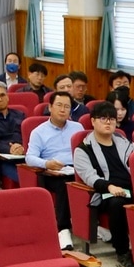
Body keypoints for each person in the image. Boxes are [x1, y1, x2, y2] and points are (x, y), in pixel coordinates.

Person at [74, 100, 134, 267]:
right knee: (117, 203)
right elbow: (89, 177)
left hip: (130, 189)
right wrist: (110, 187)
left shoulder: (124, 143)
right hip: (103, 193)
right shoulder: (83, 149)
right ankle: (123, 253)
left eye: (111, 119)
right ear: (93, 121)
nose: (108, 122)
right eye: (103, 118)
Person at [26, 90, 84, 249]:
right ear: (50, 107)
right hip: (51, 172)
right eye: (59, 105)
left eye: (67, 106)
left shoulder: (77, 126)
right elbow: (29, 158)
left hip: (76, 168)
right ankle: (63, 230)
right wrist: (47, 164)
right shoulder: (39, 131)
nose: (63, 109)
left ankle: (91, 225)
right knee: (65, 185)